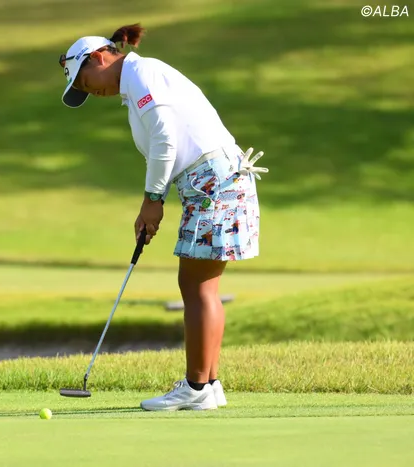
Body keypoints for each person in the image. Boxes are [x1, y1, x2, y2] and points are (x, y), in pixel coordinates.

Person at [58, 24, 268, 411]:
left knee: (196, 285)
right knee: (201, 286)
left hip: (213, 182)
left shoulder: (142, 74)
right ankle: (209, 385)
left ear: (98, 57)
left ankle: (196, 386)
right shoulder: (138, 81)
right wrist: (156, 201)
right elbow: (166, 143)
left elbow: (165, 140)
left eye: (85, 82)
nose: (91, 92)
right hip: (213, 181)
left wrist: (152, 200)